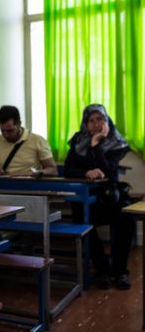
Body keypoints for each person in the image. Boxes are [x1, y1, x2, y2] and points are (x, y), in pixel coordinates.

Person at [64, 103, 134, 290]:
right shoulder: (78, 141)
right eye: (91, 120)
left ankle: (119, 272)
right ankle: (102, 270)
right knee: (81, 220)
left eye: (100, 119)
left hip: (109, 198)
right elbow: (68, 169)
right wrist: (86, 172)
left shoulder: (115, 142)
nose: (95, 124)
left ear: (107, 120)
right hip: (87, 199)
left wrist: (96, 145)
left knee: (126, 219)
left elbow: (110, 173)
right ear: (85, 124)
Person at [0, 105, 58, 177]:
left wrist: (33, 173)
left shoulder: (38, 141)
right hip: (4, 186)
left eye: (10, 131)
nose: (6, 135)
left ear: (19, 124)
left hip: (29, 186)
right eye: (2, 131)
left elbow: (53, 170)